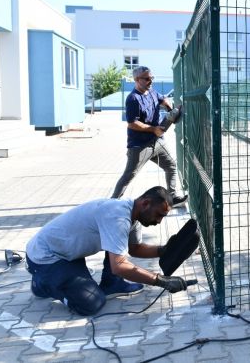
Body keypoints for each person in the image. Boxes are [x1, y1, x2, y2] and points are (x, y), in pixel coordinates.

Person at [25, 186, 194, 316]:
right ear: (145, 203)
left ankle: (112, 284)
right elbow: (119, 266)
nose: (159, 221)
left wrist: (162, 250)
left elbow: (134, 249)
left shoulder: (133, 213)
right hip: (46, 257)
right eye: (158, 215)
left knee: (115, 245)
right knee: (92, 303)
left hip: (68, 254)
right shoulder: (118, 218)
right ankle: (42, 284)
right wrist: (160, 281)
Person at [111, 66, 187, 207]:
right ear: (136, 80)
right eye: (146, 79)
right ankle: (111, 204)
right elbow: (132, 123)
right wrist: (153, 129)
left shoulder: (151, 91)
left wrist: (170, 109)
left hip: (157, 142)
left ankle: (173, 198)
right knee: (128, 176)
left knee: (171, 165)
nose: (150, 81)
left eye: (152, 78)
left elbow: (162, 99)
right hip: (140, 146)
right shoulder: (133, 99)